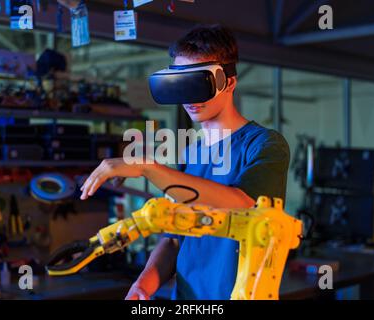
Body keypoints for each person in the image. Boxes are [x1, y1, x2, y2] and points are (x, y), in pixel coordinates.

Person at [79, 24, 290, 300]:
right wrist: (144, 285)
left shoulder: (264, 144)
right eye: (182, 84)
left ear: (229, 82)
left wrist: (149, 168)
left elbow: (244, 207)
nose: (189, 98)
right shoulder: (190, 154)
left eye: (198, 84)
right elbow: (174, 237)